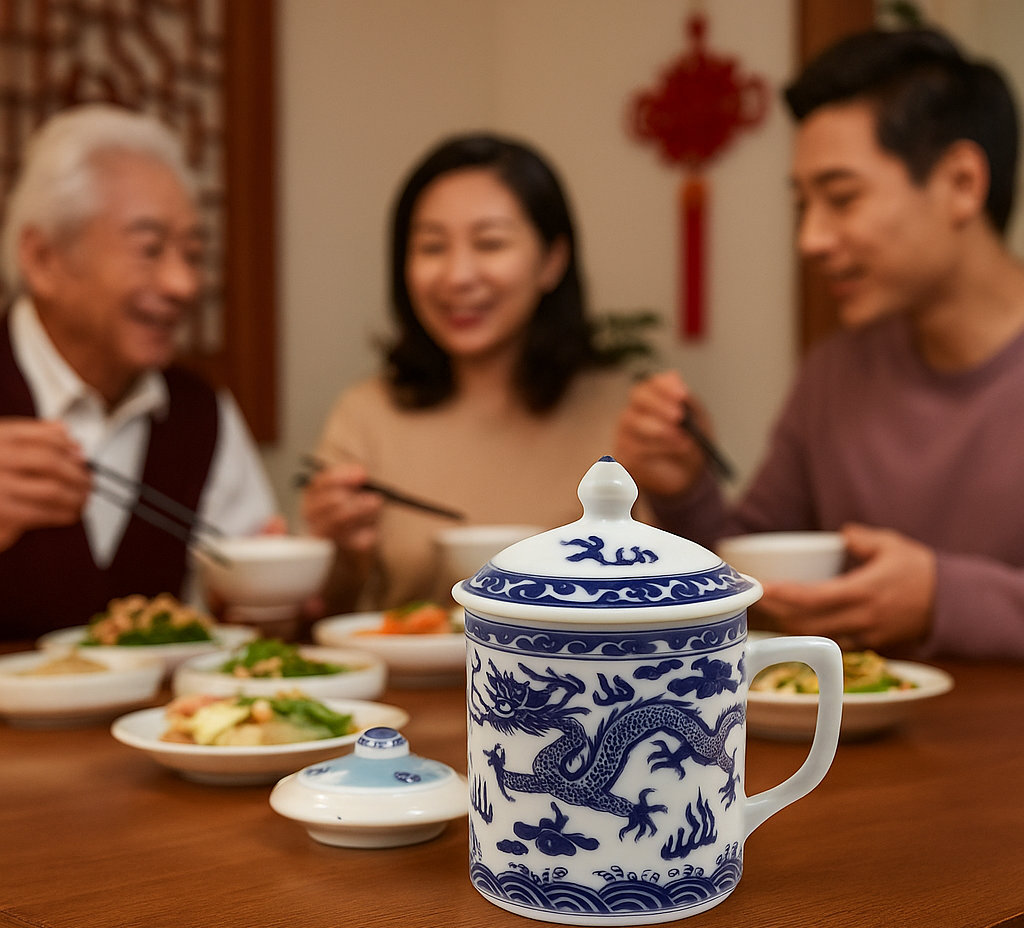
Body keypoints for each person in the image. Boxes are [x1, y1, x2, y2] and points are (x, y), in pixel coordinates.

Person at [614, 29, 1024, 660]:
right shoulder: (837, 369)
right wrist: (685, 486)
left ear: (962, 183)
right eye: (804, 204)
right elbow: (750, 567)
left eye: (842, 198)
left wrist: (945, 599)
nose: (810, 239)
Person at [303, 134, 645, 611]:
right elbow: (324, 620)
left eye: (489, 243)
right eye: (431, 246)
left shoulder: (628, 418)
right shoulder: (365, 416)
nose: (458, 275)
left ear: (552, 260)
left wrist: (687, 490)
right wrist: (334, 551)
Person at [0, 104, 276, 640]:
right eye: (149, 250)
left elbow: (239, 598)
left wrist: (262, 598)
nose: (182, 284)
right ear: (42, 259)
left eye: (192, 253)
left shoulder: (201, 411)